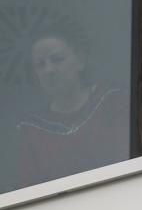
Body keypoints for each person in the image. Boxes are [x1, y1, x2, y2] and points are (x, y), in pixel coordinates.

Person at [17, 24, 129, 188]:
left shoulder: (112, 100)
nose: (49, 70)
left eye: (57, 59)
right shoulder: (32, 129)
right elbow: (27, 190)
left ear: (80, 61)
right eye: (40, 65)